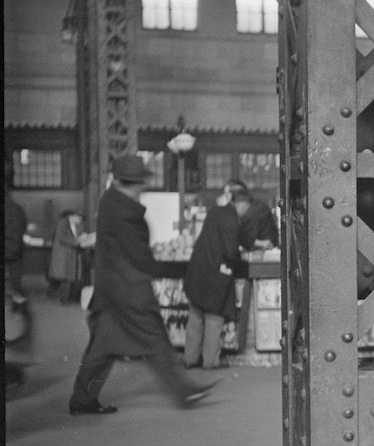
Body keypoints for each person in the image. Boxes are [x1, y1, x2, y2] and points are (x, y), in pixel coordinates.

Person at [68, 154, 220, 415]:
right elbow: (141, 258)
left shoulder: (109, 202)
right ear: (136, 183)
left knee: (103, 346)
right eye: (141, 183)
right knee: (156, 339)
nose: (143, 188)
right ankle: (184, 392)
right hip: (130, 291)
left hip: (110, 289)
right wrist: (183, 268)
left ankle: (82, 399)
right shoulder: (126, 212)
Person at [183, 184, 254, 369]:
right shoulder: (232, 219)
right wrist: (241, 258)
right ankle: (210, 362)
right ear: (242, 204)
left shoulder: (215, 211)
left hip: (197, 269)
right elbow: (230, 251)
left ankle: (190, 359)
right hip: (216, 274)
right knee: (214, 319)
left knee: (195, 316)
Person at [225, 178, 279, 249]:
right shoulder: (236, 212)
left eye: (227, 195)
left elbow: (242, 238)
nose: (227, 200)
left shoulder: (257, 211)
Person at [47, 209, 86, 303]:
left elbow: (79, 235)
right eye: (78, 219)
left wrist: (83, 238)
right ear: (73, 216)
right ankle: (64, 299)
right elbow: (62, 238)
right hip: (63, 254)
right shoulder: (62, 223)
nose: (79, 222)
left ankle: (67, 297)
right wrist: (77, 241)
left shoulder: (78, 224)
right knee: (65, 277)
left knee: (69, 276)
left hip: (73, 254)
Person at [4, 173, 28, 296]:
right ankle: (18, 300)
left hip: (9, 247)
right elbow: (23, 228)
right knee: (15, 281)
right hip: (15, 250)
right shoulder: (17, 209)